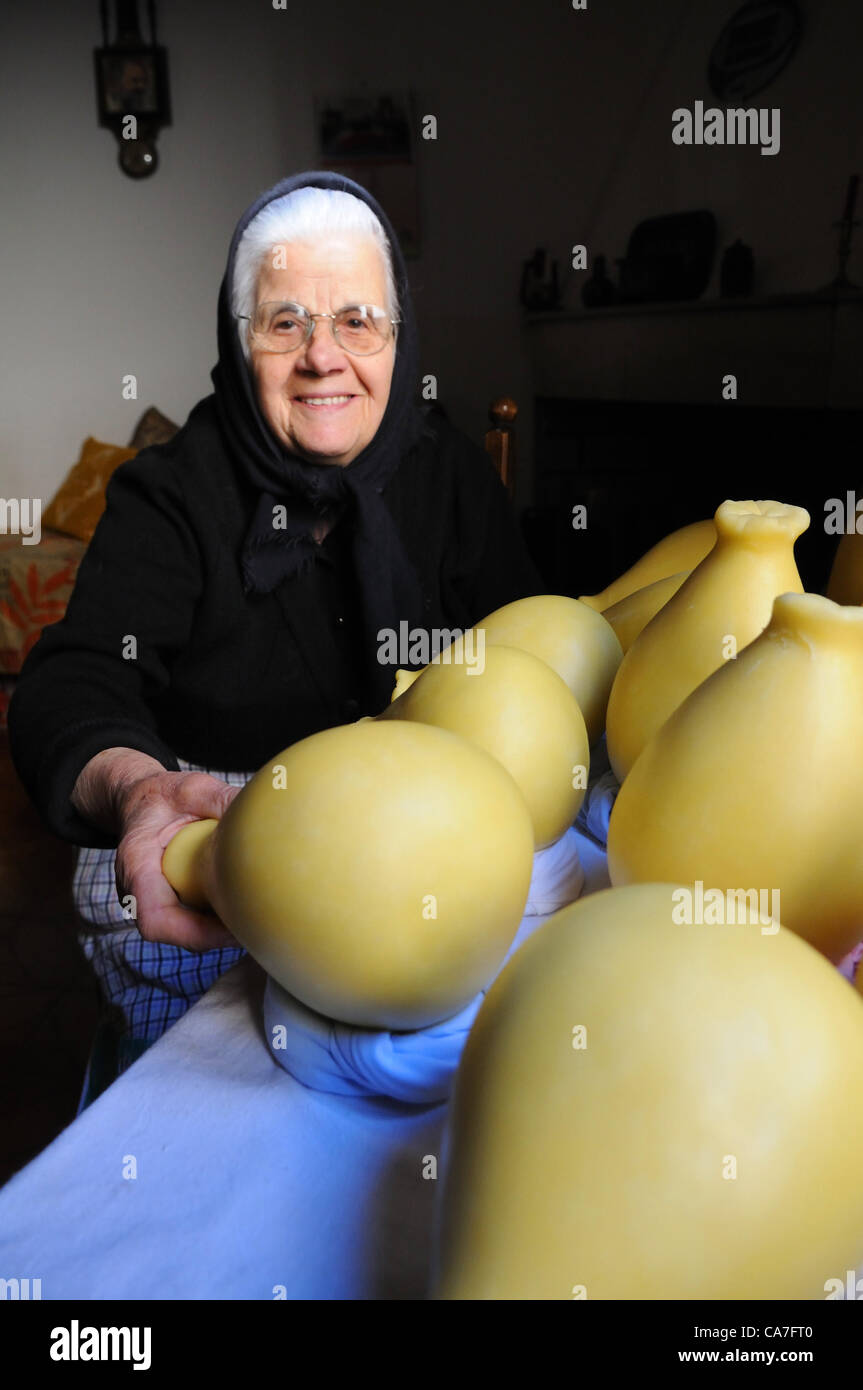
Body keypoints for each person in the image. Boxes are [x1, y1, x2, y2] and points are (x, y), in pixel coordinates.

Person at [9, 170, 543, 1068]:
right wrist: (143, 790)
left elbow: (531, 649)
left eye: (356, 321)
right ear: (237, 336)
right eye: (285, 320)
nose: (322, 356)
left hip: (417, 844)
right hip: (223, 839)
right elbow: (74, 679)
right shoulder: (173, 493)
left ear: (397, 338)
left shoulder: (446, 473)